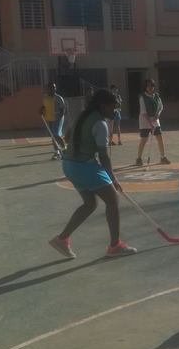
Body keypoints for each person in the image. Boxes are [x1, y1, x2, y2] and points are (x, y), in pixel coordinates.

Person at [47, 89, 137, 259]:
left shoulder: (81, 115)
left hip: (68, 165)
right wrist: (113, 178)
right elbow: (103, 156)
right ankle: (115, 245)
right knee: (112, 199)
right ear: (103, 106)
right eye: (113, 108)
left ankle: (62, 239)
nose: (115, 111)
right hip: (84, 166)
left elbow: (67, 137)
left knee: (89, 204)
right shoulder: (100, 124)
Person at [136, 79, 170, 166]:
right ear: (146, 87)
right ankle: (139, 158)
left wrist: (157, 116)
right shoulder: (142, 98)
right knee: (144, 139)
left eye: (152, 86)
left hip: (155, 120)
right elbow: (143, 112)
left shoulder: (157, 97)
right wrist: (150, 124)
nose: (150, 88)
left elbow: (160, 107)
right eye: (148, 86)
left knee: (160, 138)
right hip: (144, 121)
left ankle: (163, 157)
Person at [39, 82, 67, 160]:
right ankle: (57, 152)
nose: (53, 89)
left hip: (58, 118)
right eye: (51, 87)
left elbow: (63, 109)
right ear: (47, 89)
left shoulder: (58, 98)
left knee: (57, 135)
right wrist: (42, 109)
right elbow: (45, 106)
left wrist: (59, 120)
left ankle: (64, 150)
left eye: (54, 87)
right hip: (50, 119)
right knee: (53, 136)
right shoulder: (46, 98)